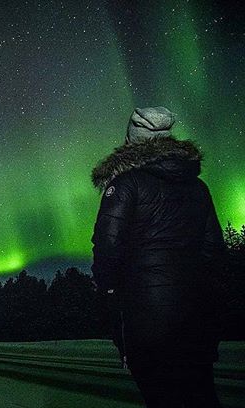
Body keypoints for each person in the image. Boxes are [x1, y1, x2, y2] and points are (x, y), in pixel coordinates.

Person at [90, 107, 225, 408]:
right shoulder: (198, 187)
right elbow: (213, 250)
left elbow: (107, 247)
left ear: (133, 139)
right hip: (196, 318)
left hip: (146, 320)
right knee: (201, 395)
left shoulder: (125, 184)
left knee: (162, 396)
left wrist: (110, 291)